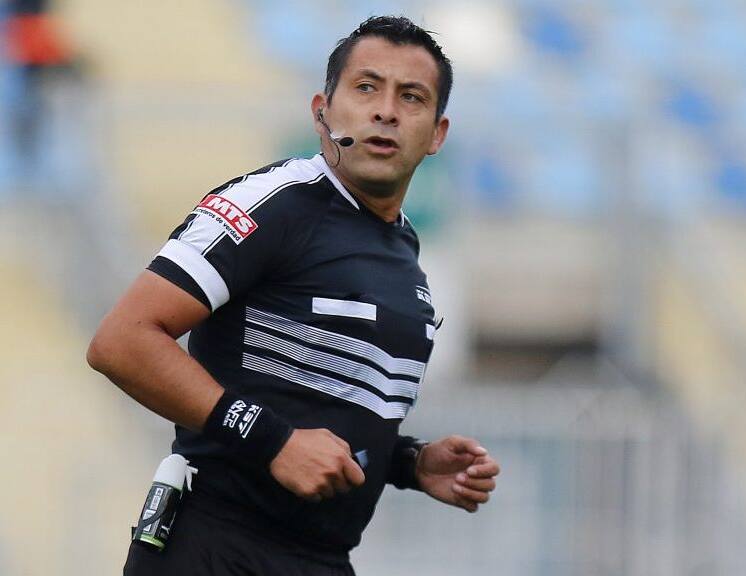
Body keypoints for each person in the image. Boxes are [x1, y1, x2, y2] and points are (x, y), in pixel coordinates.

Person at [87, 15, 500, 576]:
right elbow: (122, 341)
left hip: (321, 560)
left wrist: (409, 462)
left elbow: (325, 406)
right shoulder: (278, 202)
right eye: (365, 88)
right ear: (321, 112)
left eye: (411, 97)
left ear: (436, 135)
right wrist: (273, 441)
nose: (385, 111)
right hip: (215, 545)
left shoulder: (404, 251)